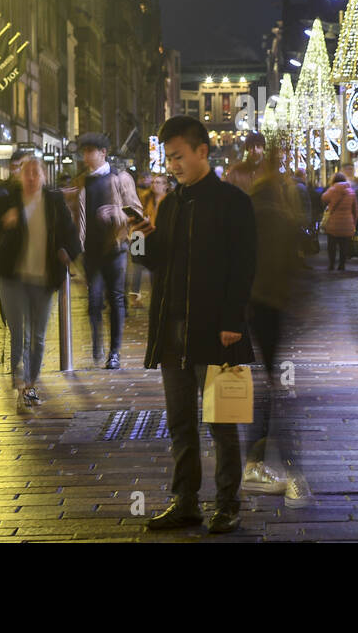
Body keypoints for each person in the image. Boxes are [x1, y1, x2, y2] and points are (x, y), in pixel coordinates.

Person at [135, 115, 256, 534]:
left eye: (178, 156)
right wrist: (137, 234)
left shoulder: (232, 202)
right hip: (173, 331)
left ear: (202, 151)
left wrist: (234, 320)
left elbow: (244, 268)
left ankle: (228, 503)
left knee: (223, 421)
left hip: (221, 331)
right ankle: (185, 501)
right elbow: (154, 260)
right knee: (181, 422)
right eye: (168, 158)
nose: (173, 165)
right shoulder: (171, 205)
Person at [0, 152, 78, 411]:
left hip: (44, 279)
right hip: (13, 277)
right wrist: (3, 221)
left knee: (38, 336)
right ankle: (22, 384)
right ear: (20, 175)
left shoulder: (54, 201)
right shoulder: (7, 201)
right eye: (27, 172)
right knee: (18, 335)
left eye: (37, 173)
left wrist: (67, 252)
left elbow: (71, 236)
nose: (32, 177)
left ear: (44, 176)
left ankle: (31, 381)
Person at [241, 141, 311, 505]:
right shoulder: (277, 214)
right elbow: (296, 259)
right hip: (269, 303)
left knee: (263, 380)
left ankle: (258, 455)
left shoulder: (251, 210)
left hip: (256, 303)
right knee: (268, 384)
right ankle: (257, 459)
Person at [67, 133, 143, 369]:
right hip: (89, 250)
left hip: (115, 247)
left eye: (91, 151)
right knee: (93, 301)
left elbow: (136, 210)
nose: (87, 156)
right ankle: (97, 341)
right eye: (84, 151)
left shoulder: (120, 178)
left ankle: (114, 353)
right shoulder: (80, 181)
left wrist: (116, 212)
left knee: (116, 299)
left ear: (103, 153)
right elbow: (72, 214)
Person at [129, 174, 169, 306]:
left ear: (165, 186)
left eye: (158, 182)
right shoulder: (145, 199)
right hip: (140, 236)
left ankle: (156, 297)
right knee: (137, 266)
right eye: (153, 182)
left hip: (155, 237)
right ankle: (134, 297)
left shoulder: (169, 202)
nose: (154, 185)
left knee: (154, 269)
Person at [321, 172, 358, 271]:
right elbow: (355, 210)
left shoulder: (332, 190)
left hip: (333, 223)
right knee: (344, 246)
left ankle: (331, 264)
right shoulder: (351, 192)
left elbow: (323, 198)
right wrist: (353, 223)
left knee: (332, 245)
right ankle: (342, 265)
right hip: (347, 223)